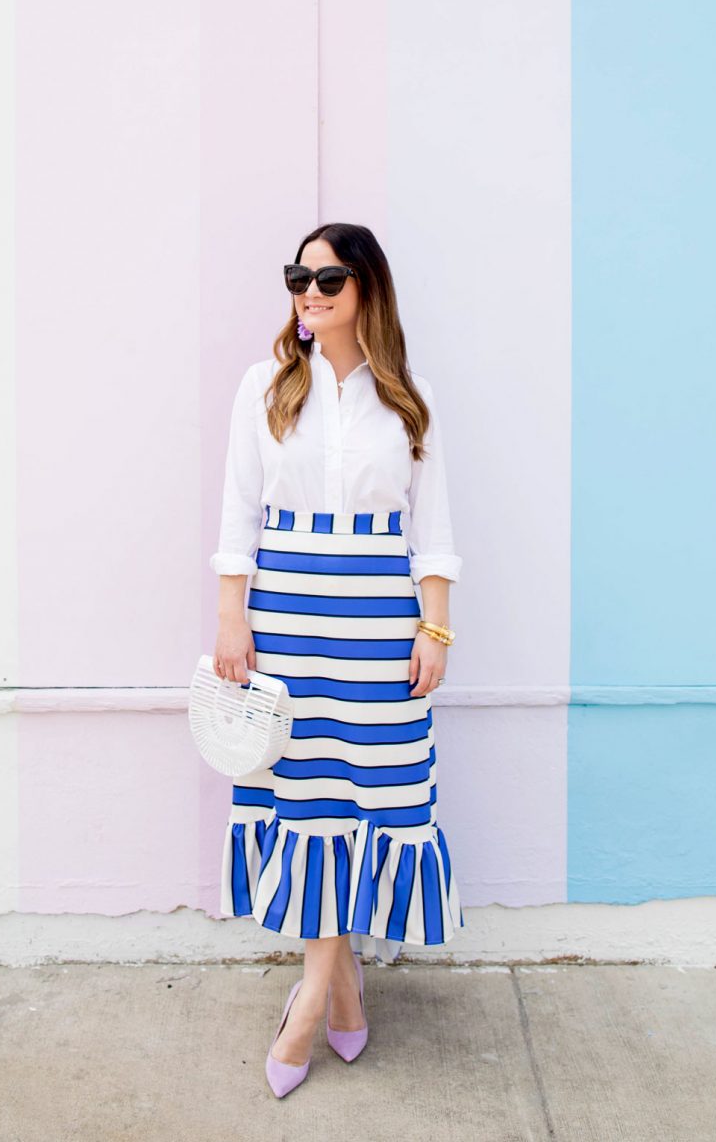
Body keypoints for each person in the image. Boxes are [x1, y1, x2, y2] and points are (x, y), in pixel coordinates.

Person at [210, 222, 464, 1097]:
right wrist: (231, 621)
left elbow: (432, 533)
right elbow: (238, 515)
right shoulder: (266, 385)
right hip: (285, 623)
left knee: (377, 795)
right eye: (298, 277)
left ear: (366, 289)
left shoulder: (410, 396)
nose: (309, 292)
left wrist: (433, 633)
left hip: (378, 626)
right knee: (311, 798)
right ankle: (334, 989)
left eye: (328, 278)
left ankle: (317, 993)